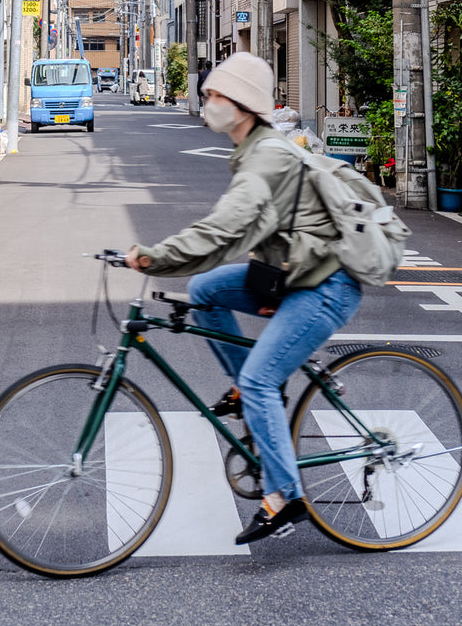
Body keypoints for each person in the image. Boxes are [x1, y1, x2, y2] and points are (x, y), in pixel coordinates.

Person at [125, 53, 362, 545]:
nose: (207, 102)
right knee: (205, 289)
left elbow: (225, 230)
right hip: (295, 272)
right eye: (208, 93)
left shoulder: (265, 157)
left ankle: (285, 496)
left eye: (216, 95)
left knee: (258, 378)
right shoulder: (252, 148)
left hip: (327, 283)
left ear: (243, 106)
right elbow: (251, 234)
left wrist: (154, 257)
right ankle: (254, 392)